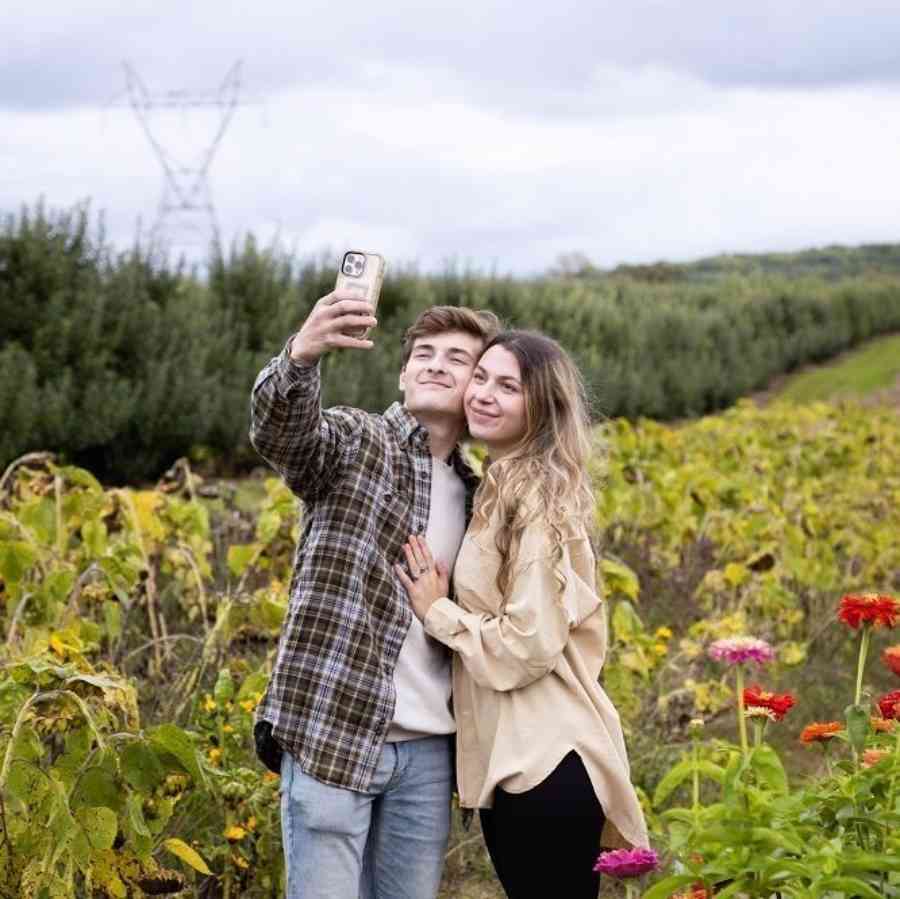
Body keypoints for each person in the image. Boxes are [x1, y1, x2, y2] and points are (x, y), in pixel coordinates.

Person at [248, 292, 500, 899]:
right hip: (335, 730)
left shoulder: (479, 495)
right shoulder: (356, 442)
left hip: (429, 750)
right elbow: (285, 436)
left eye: (458, 358)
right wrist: (301, 354)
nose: (436, 364)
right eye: (423, 354)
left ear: (476, 388)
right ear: (403, 373)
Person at [395, 330, 650, 899]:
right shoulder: (497, 484)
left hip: (543, 762)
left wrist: (438, 612)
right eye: (480, 377)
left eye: (508, 386)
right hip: (518, 762)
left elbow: (529, 643)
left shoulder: (538, 496)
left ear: (542, 406)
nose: (484, 393)